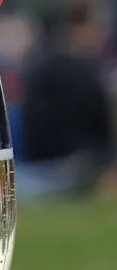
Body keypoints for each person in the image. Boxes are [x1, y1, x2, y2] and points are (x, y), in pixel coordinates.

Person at [20, 1, 114, 197]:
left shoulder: (38, 64)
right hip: (72, 168)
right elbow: (102, 131)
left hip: (36, 165)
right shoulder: (83, 73)